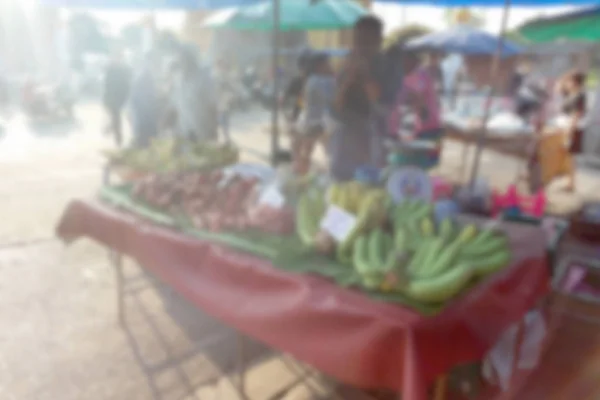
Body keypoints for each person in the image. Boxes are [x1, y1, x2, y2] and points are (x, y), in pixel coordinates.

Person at [330, 16, 385, 181]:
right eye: (358, 40)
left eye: (367, 41)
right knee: (341, 181)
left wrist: (365, 75)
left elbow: (380, 102)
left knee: (369, 183)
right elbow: (336, 106)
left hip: (374, 138)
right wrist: (348, 80)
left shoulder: (385, 64)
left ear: (378, 41)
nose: (360, 46)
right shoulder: (346, 63)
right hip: (345, 137)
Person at [388, 49, 443, 155]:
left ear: (412, 61)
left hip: (428, 128)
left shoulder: (420, 74)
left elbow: (416, 98)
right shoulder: (407, 76)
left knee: (413, 163)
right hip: (418, 128)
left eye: (403, 61)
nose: (401, 65)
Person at [294, 52, 335, 175]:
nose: (330, 65)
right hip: (317, 122)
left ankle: (301, 174)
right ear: (320, 66)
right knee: (317, 152)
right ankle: (302, 174)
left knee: (308, 151)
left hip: (313, 121)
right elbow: (331, 99)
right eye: (327, 63)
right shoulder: (319, 81)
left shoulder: (314, 79)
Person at [172, 46, 218, 142]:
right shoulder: (178, 79)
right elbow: (175, 106)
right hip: (183, 131)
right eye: (180, 60)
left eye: (184, 59)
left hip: (201, 131)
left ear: (192, 60)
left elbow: (212, 106)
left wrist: (213, 129)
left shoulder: (204, 79)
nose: (181, 63)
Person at [559, 70, 587, 191]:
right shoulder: (572, 94)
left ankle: (570, 184)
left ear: (575, 82)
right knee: (567, 156)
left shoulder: (579, 95)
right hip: (567, 127)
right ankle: (569, 182)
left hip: (573, 128)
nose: (567, 83)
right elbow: (559, 87)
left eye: (570, 81)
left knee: (570, 156)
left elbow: (577, 114)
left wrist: (569, 131)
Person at [129, 52, 160, 148]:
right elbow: (143, 101)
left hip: (145, 119)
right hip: (145, 120)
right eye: (155, 61)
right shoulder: (145, 78)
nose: (157, 64)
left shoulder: (146, 76)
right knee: (146, 145)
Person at [103, 50, 131, 146]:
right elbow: (107, 85)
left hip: (122, 97)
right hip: (113, 98)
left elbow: (127, 83)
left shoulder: (125, 69)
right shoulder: (110, 69)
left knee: (118, 118)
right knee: (116, 118)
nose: (117, 59)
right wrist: (106, 98)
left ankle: (110, 129)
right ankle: (118, 139)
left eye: (119, 57)